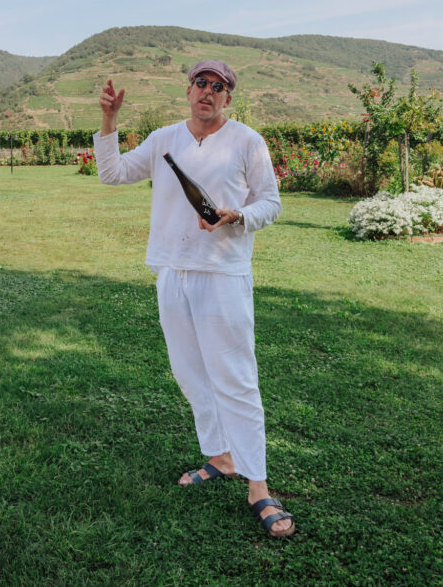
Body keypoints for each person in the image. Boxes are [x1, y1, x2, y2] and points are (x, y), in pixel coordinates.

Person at [93, 60, 294, 538]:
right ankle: (221, 457)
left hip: (222, 274)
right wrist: (108, 123)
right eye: (201, 83)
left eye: (218, 86)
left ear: (228, 97)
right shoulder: (165, 138)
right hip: (172, 270)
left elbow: (271, 202)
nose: (207, 91)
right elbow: (112, 173)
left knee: (236, 378)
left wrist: (236, 216)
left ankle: (258, 487)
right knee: (190, 373)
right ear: (188, 91)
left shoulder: (247, 140)